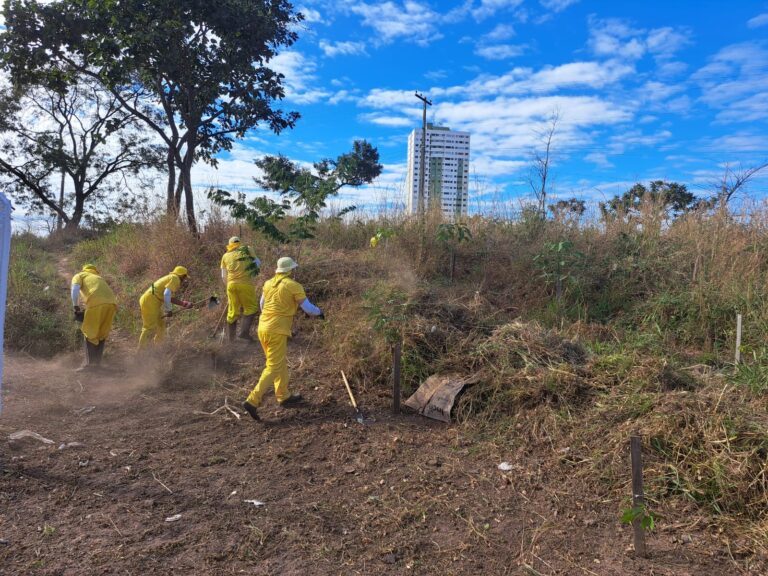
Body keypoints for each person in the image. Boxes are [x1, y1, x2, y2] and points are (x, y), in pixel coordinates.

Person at [242, 257, 324, 421]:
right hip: (276, 331)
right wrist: (320, 312)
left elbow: (262, 305)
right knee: (273, 366)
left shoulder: (268, 283)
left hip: (263, 328)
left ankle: (283, 395)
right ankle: (252, 400)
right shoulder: (293, 285)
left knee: (278, 362)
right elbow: (308, 309)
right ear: (290, 270)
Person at [71, 264, 117, 371]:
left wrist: (76, 307)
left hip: (96, 303)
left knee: (89, 332)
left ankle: (89, 366)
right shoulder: (99, 277)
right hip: (112, 304)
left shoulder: (80, 275)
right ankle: (97, 364)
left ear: (84, 269)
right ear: (95, 270)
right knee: (101, 334)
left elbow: (75, 289)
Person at [138, 266, 192, 349]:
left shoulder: (170, 278)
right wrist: (168, 310)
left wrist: (184, 304)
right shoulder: (175, 279)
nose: (184, 279)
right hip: (150, 301)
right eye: (184, 277)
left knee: (161, 325)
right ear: (182, 275)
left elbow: (168, 297)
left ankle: (158, 347)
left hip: (152, 300)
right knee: (149, 327)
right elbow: (166, 294)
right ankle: (140, 351)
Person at [220, 236, 261, 342]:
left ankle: (231, 339)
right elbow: (257, 263)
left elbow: (223, 276)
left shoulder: (225, 256)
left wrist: (228, 288)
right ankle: (244, 333)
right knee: (251, 308)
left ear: (230, 245)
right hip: (245, 284)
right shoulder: (248, 249)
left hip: (231, 285)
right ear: (240, 243)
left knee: (232, 312)